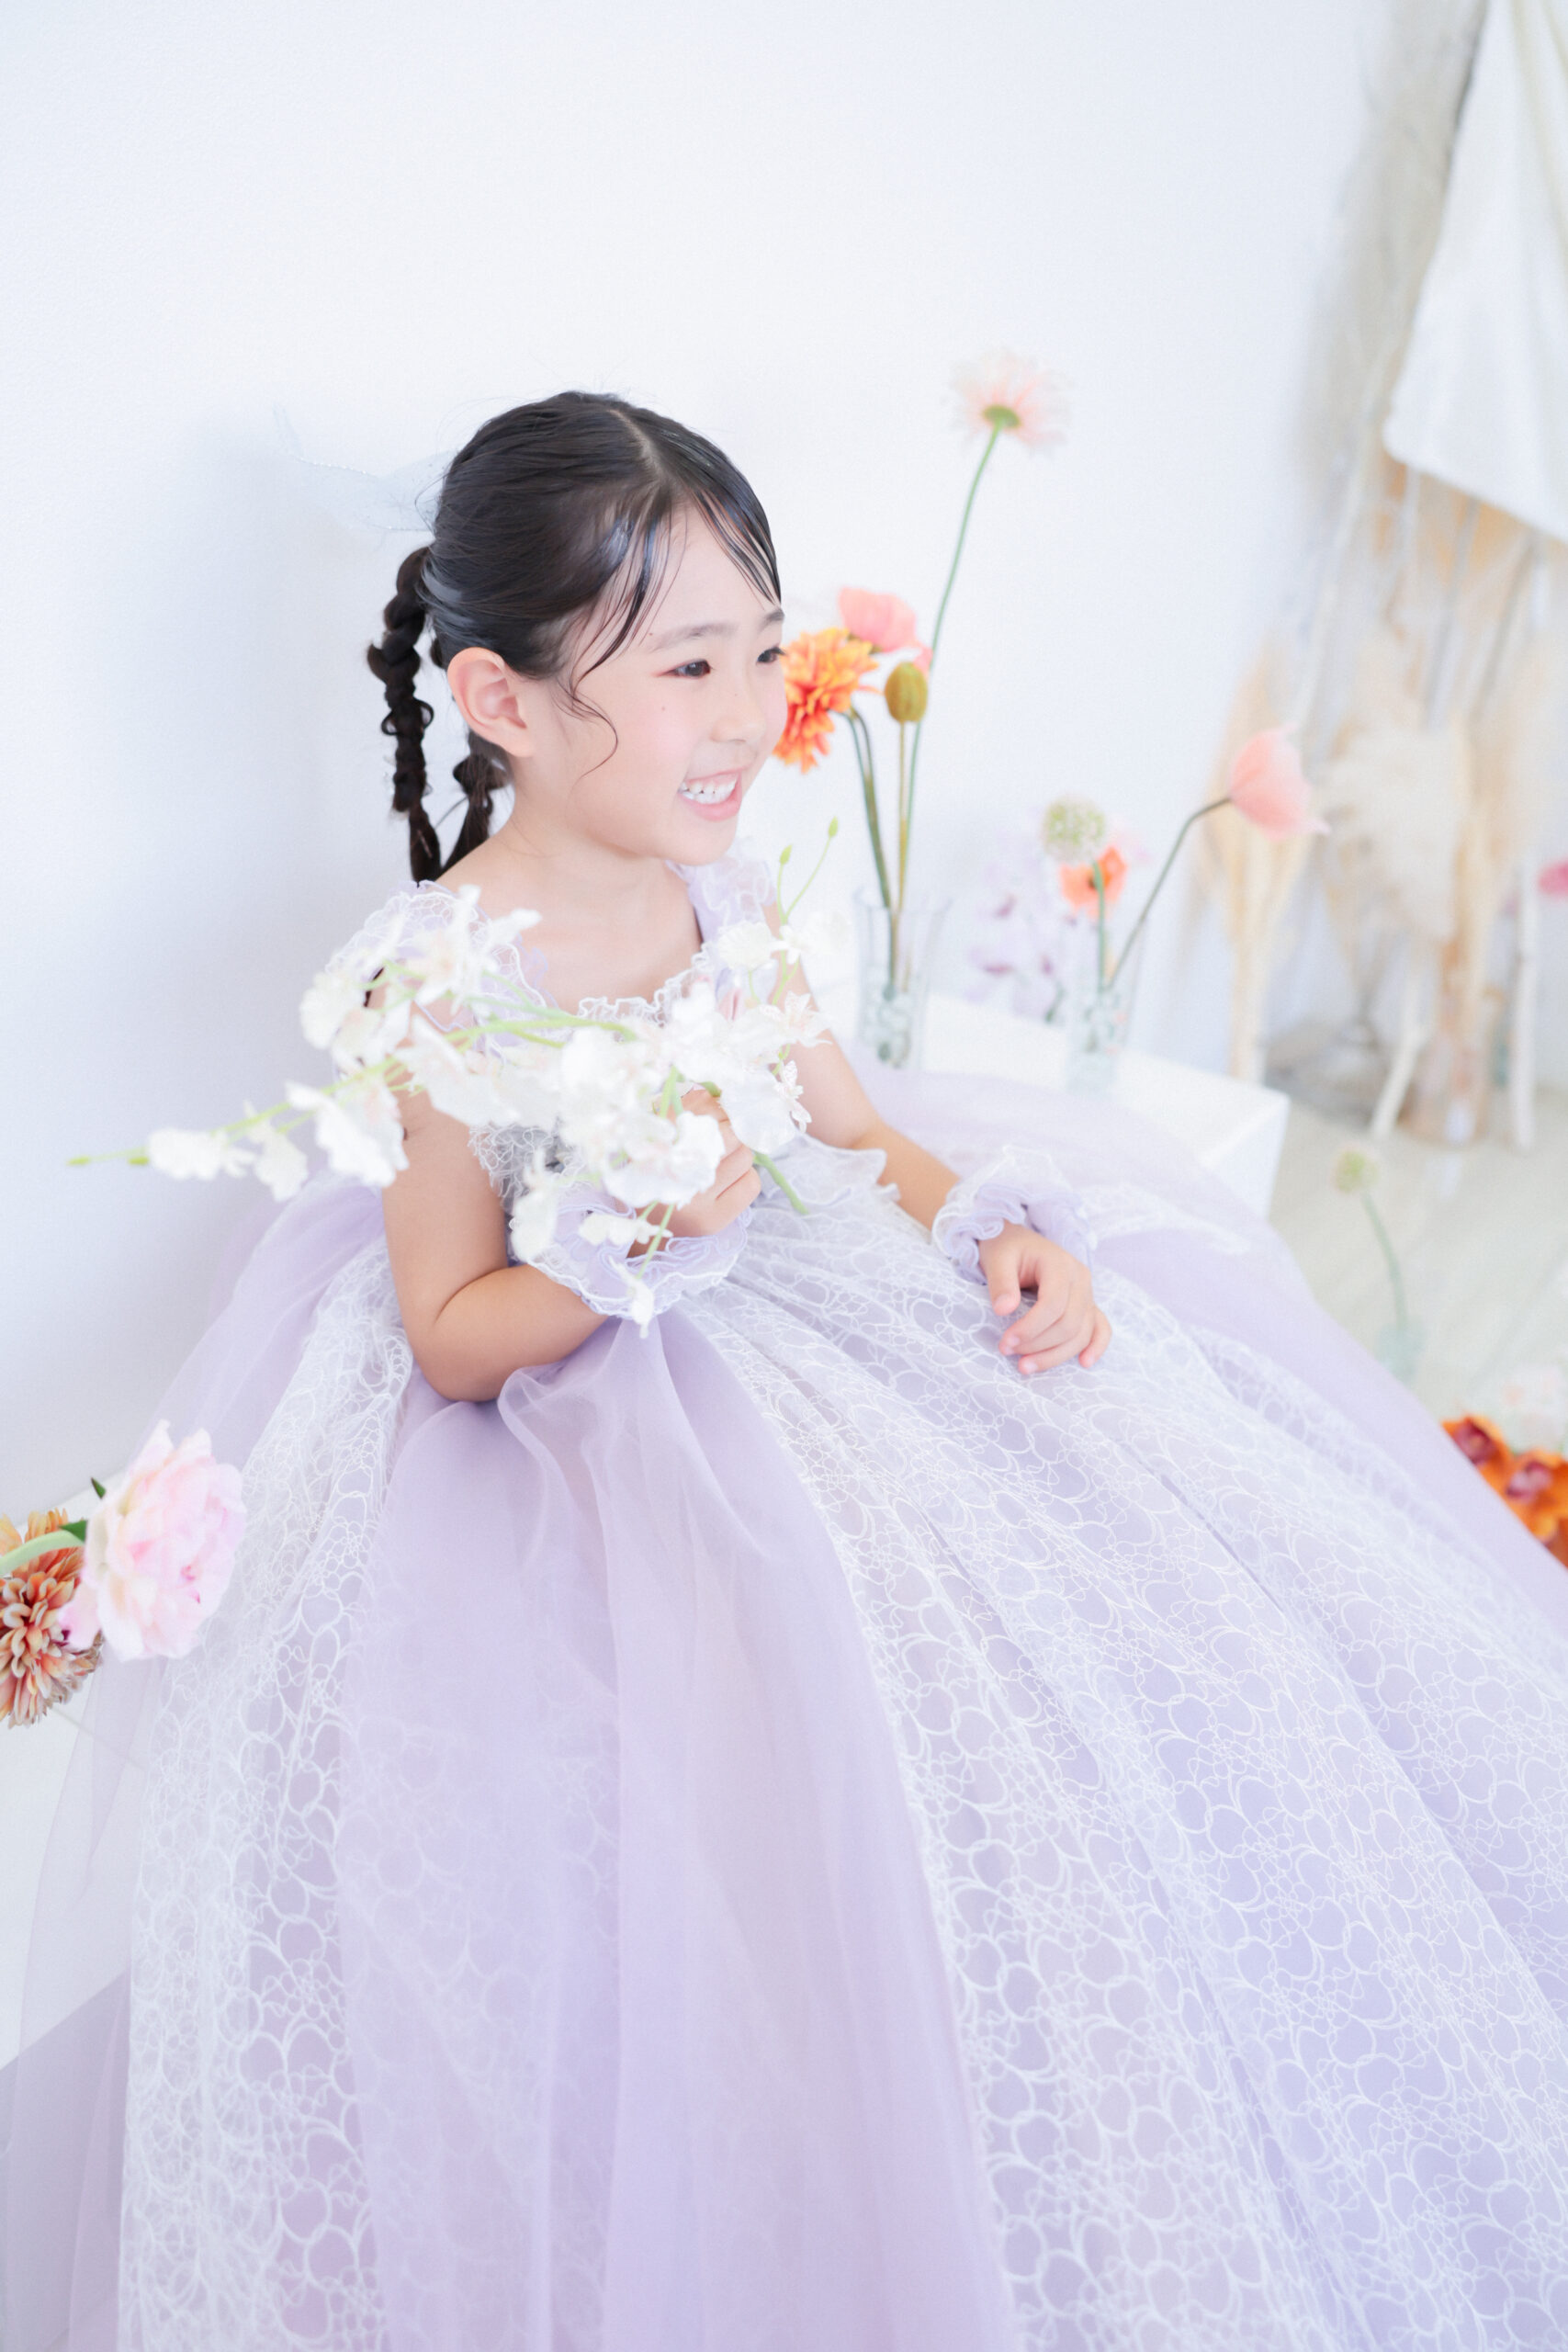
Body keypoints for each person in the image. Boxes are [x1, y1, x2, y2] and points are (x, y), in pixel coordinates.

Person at [9, 391, 1568, 2352]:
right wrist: (615, 1258)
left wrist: (977, 1224)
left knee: (1047, 1622)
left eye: (763, 650)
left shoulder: (723, 897)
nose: (748, 712)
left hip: (802, 1311)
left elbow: (851, 1129)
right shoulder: (444, 978)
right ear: (500, 699)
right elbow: (453, 1328)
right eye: (687, 668)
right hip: (561, 1407)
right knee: (689, 1783)